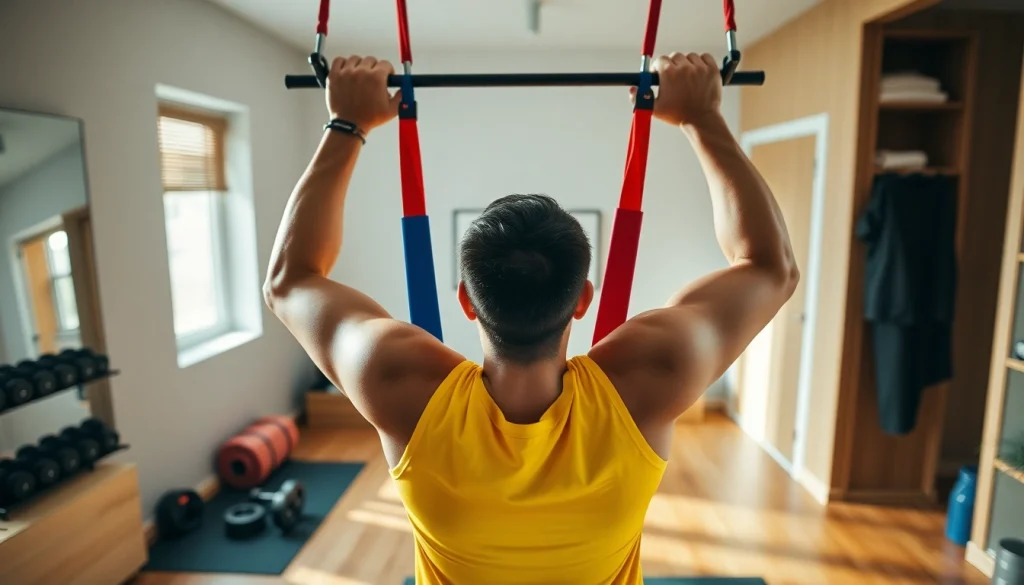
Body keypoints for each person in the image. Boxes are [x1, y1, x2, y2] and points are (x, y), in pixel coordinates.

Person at [264, 52, 798, 585]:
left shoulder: (400, 383)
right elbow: (770, 267)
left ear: (466, 300)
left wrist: (346, 123)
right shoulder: (650, 379)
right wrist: (702, 117)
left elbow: (290, 280)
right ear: (583, 299)